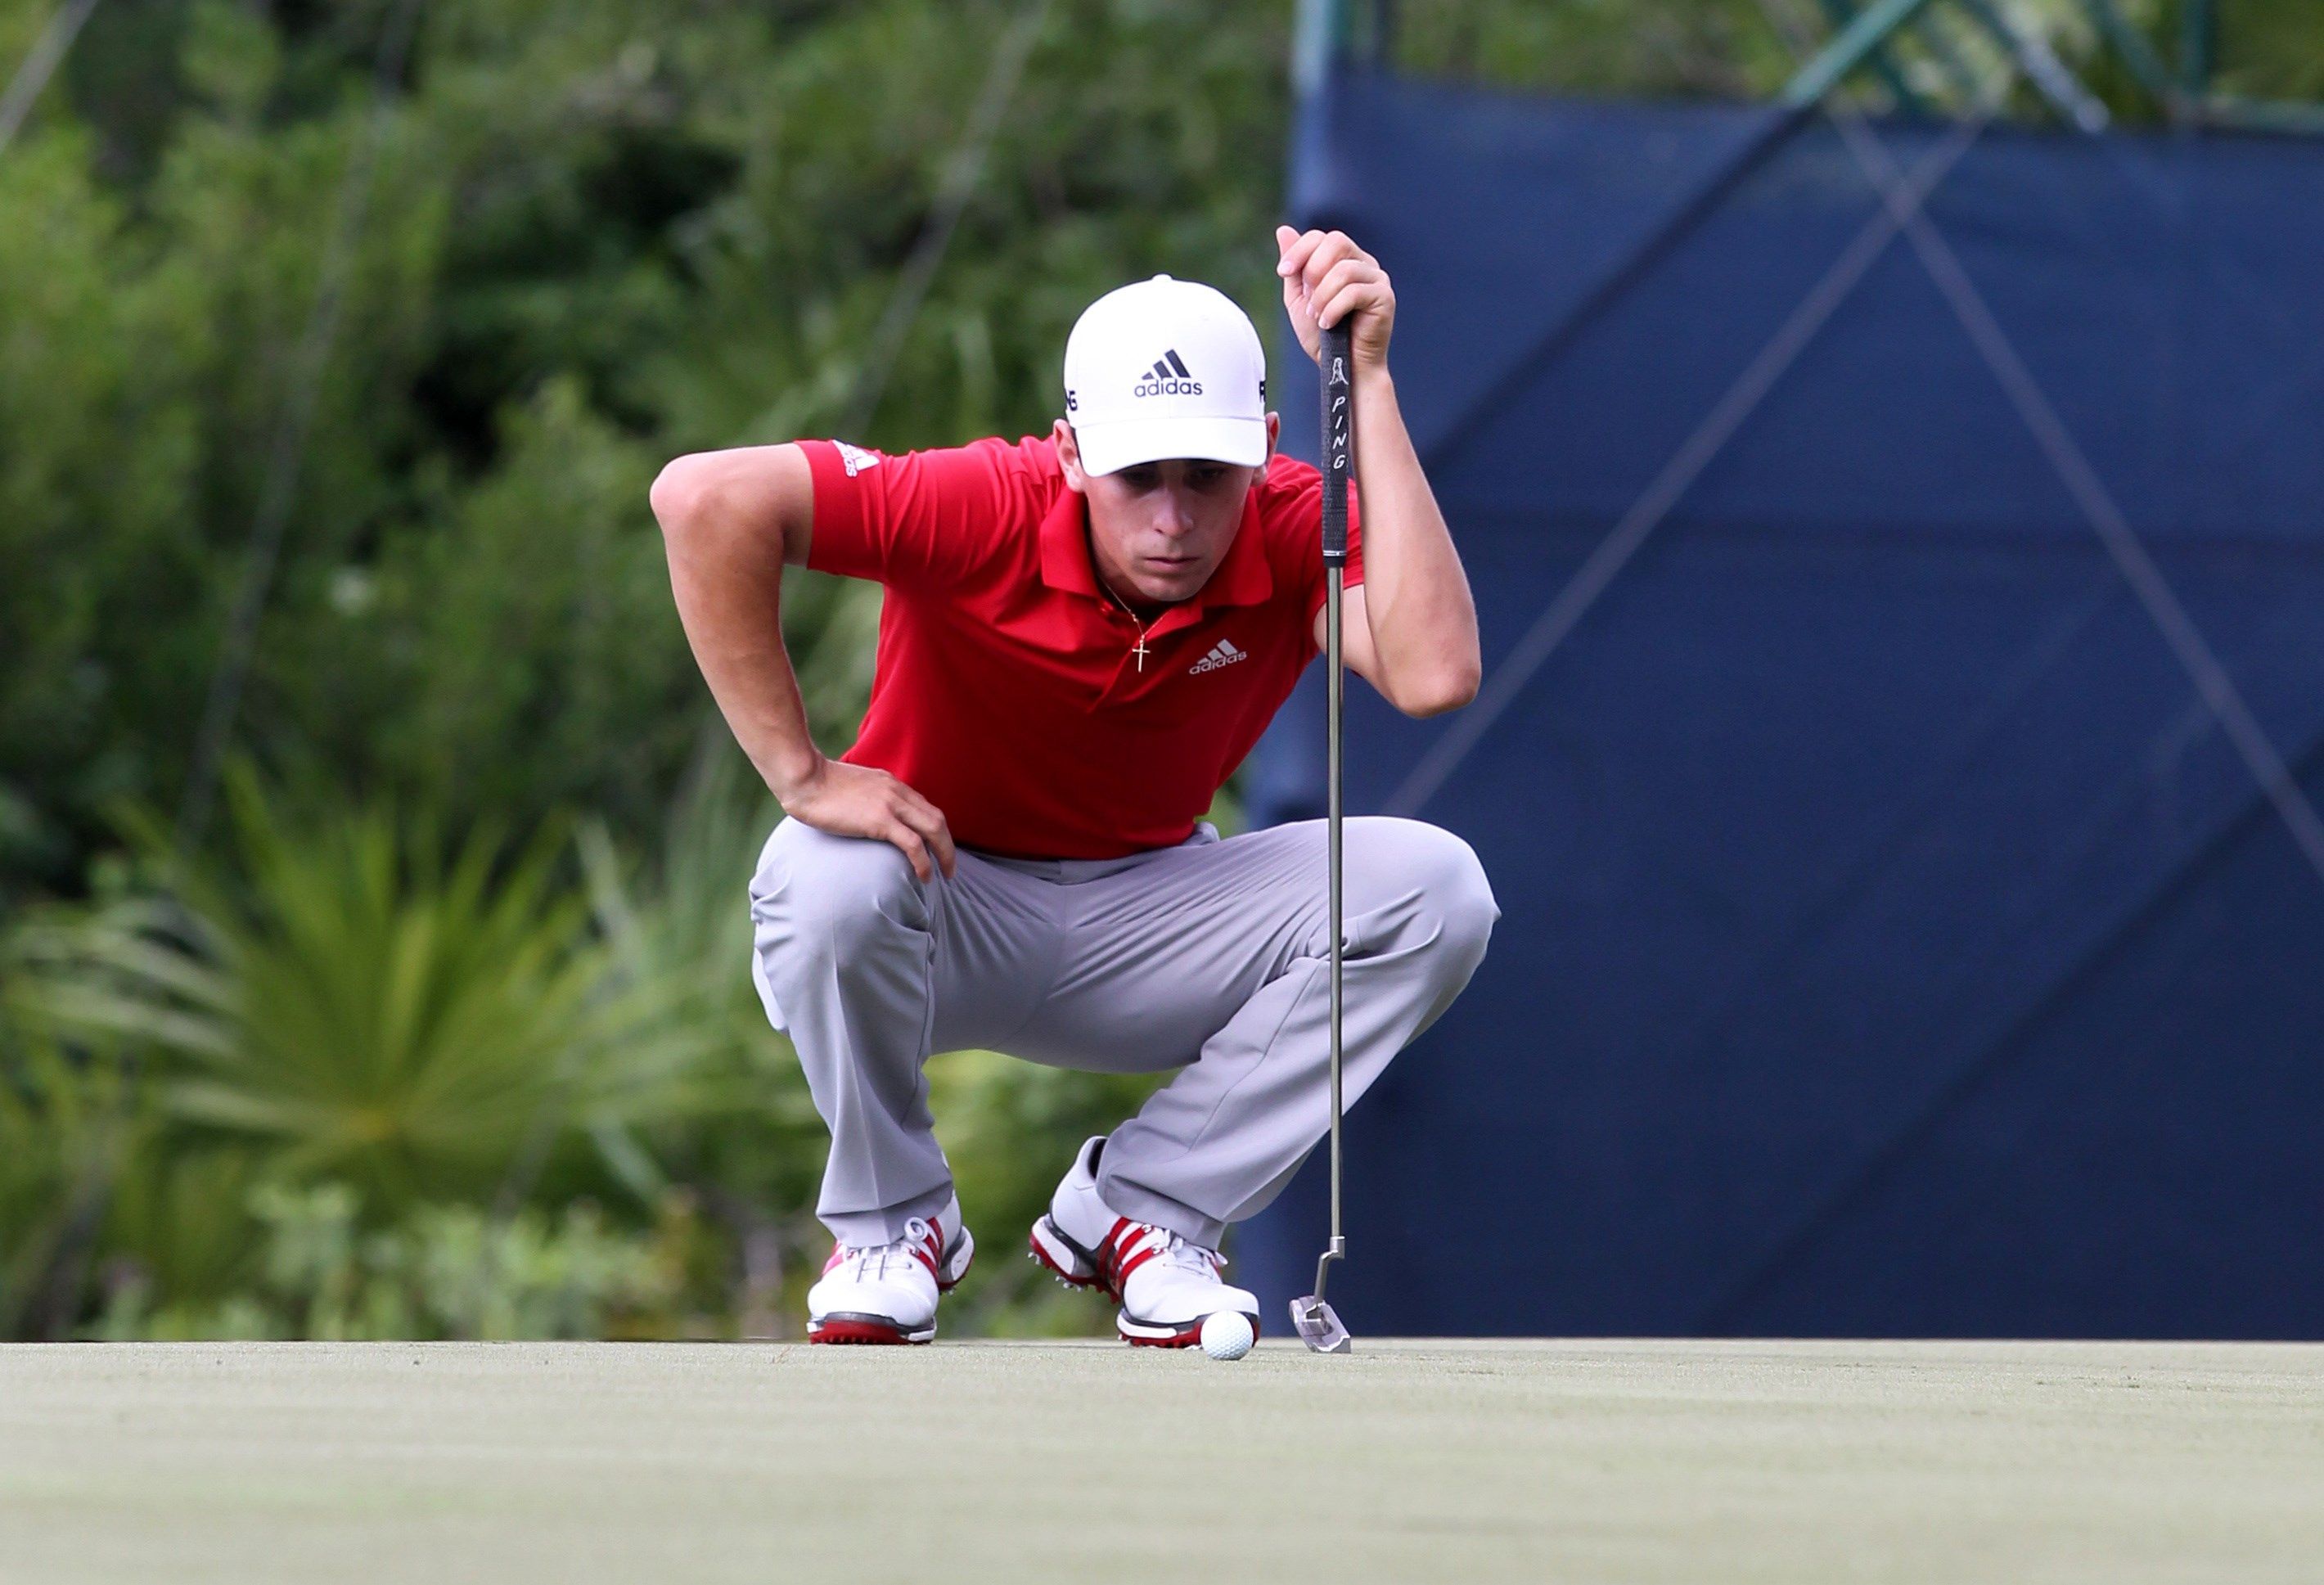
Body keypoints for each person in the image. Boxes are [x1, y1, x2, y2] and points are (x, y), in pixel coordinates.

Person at [650, 227, 1497, 1346]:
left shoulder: (1291, 529)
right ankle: (891, 1224)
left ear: (1268, 447)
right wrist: (800, 773)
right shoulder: (978, 503)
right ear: (1068, 453)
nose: (1175, 517)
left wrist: (1370, 382)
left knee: (1438, 889)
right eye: (1139, 475)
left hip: (1153, 922)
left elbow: (1435, 671)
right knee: (820, 872)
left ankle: (1148, 1211)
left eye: (1209, 476)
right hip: (942, 907)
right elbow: (701, 500)